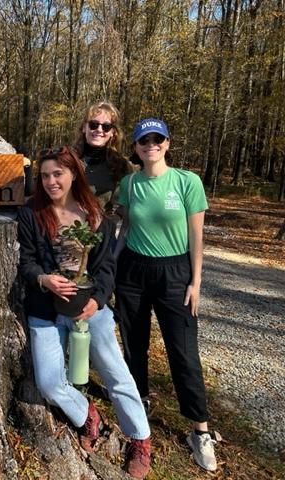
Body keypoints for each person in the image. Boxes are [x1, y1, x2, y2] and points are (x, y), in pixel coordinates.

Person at [17, 146, 152, 478]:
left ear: (73, 173)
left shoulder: (94, 214)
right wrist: (43, 278)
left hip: (90, 310)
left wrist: (98, 300)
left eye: (57, 174)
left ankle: (139, 437)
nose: (51, 181)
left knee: (116, 374)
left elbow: (107, 267)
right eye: (45, 175)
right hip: (46, 311)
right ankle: (87, 415)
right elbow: (26, 260)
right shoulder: (31, 213)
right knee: (49, 383)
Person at [115, 118, 217, 472]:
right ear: (136, 147)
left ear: (167, 143)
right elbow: (126, 226)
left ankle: (199, 429)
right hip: (133, 273)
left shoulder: (187, 182)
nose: (151, 145)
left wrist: (196, 282)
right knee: (134, 343)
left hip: (176, 274)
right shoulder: (129, 184)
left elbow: (197, 238)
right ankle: (137, 406)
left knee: (184, 352)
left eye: (157, 139)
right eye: (144, 141)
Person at [72, 101, 133, 218]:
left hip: (103, 230)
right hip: (65, 229)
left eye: (106, 127)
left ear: (113, 132)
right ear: (84, 127)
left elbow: (123, 206)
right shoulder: (68, 160)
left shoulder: (121, 166)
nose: (99, 130)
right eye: (93, 124)